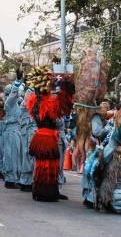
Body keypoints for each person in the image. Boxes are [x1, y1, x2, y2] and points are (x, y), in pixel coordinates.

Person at [25, 66, 75, 202]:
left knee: (41, 165)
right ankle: (47, 193)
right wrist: (65, 85)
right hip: (48, 138)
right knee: (50, 165)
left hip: (39, 136)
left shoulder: (33, 102)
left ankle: (40, 191)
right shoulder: (48, 103)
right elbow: (63, 107)